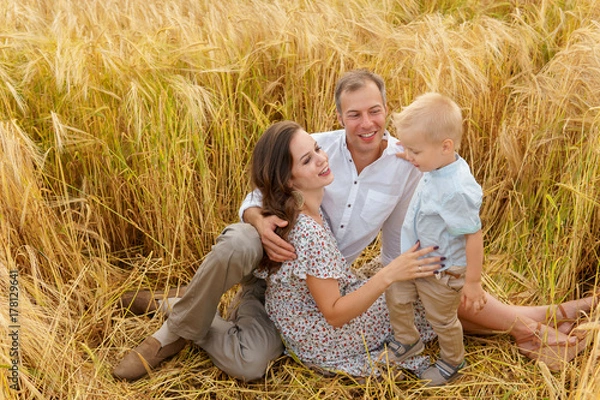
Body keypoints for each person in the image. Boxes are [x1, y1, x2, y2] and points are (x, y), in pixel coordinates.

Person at [114, 69, 594, 382]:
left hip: (319, 288)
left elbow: (397, 242)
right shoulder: (314, 150)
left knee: (427, 296)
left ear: (386, 109)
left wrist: (407, 277)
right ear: (338, 117)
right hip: (278, 269)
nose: (365, 124)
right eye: (353, 114)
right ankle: (178, 324)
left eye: (374, 111)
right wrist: (259, 219)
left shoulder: (406, 164)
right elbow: (260, 190)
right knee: (239, 242)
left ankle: (545, 317)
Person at [249, 120, 444, 378]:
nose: (321, 159)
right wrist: (390, 274)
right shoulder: (308, 231)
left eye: (317, 149)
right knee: (420, 294)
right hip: (323, 339)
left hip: (306, 324)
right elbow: (334, 314)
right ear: (288, 180)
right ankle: (504, 325)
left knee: (416, 281)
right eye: (307, 160)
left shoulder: (307, 212)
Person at [384, 93, 484, 386]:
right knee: (396, 296)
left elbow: (473, 235)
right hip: (415, 258)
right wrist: (410, 153)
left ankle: (453, 361)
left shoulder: (455, 191)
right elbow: (421, 156)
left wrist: (473, 282)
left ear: (445, 146)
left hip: (443, 271)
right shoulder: (436, 164)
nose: (410, 157)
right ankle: (408, 341)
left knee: (441, 320)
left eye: (415, 151)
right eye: (408, 150)